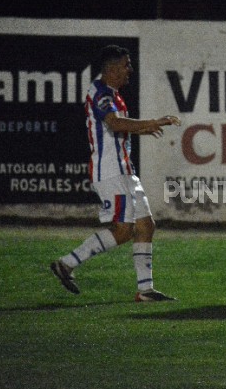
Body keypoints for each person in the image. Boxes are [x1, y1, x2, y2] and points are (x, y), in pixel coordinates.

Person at [50, 45, 181, 302]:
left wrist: (143, 129)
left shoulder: (113, 94)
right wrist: (153, 122)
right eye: (125, 65)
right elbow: (115, 124)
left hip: (125, 170)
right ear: (110, 69)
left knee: (146, 225)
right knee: (123, 230)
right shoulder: (101, 93)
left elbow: (118, 129)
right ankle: (66, 264)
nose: (129, 70)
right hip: (110, 172)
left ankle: (145, 290)